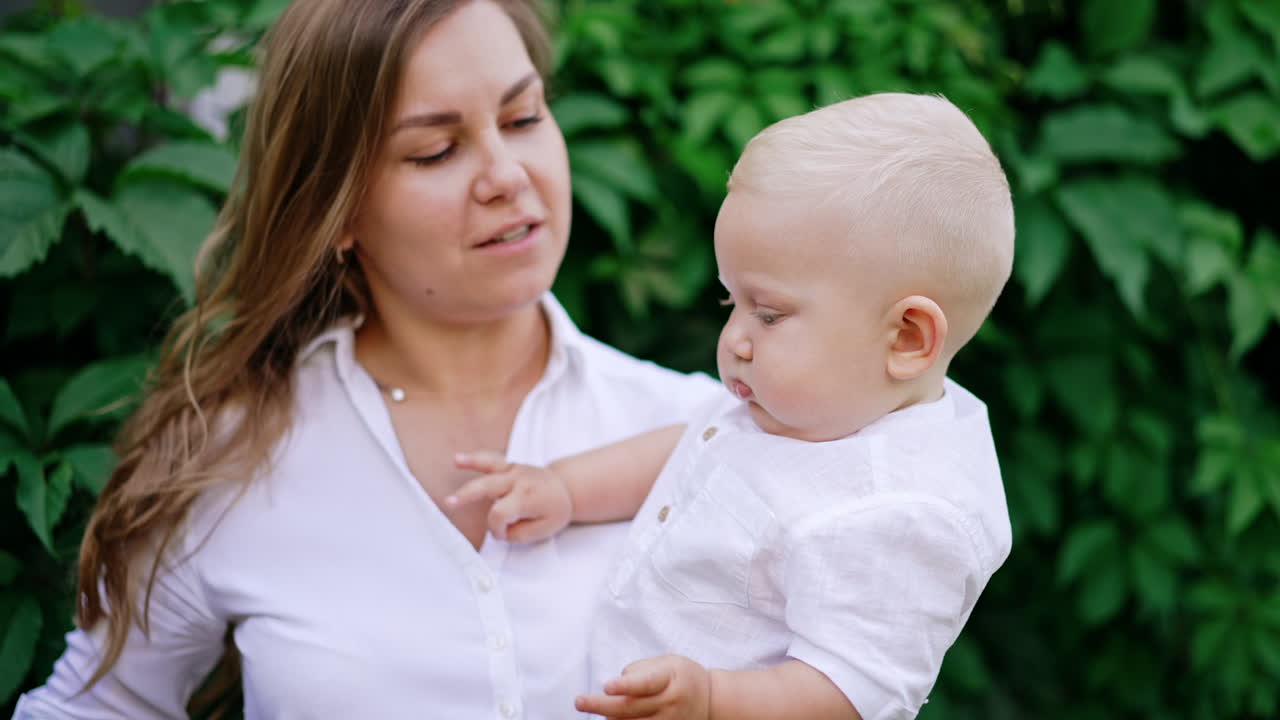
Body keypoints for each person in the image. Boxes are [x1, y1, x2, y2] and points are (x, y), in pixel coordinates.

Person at [12, 1, 721, 718]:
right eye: (435, 151)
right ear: (337, 207)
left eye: (523, 118)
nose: (506, 175)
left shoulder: (712, 430)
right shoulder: (230, 453)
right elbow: (96, 706)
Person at [450, 92, 1016, 720]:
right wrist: (565, 490)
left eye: (768, 313)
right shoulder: (795, 405)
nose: (736, 339)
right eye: (732, 304)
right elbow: (694, 447)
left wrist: (715, 699)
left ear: (908, 338)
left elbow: (850, 691)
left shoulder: (898, 515)